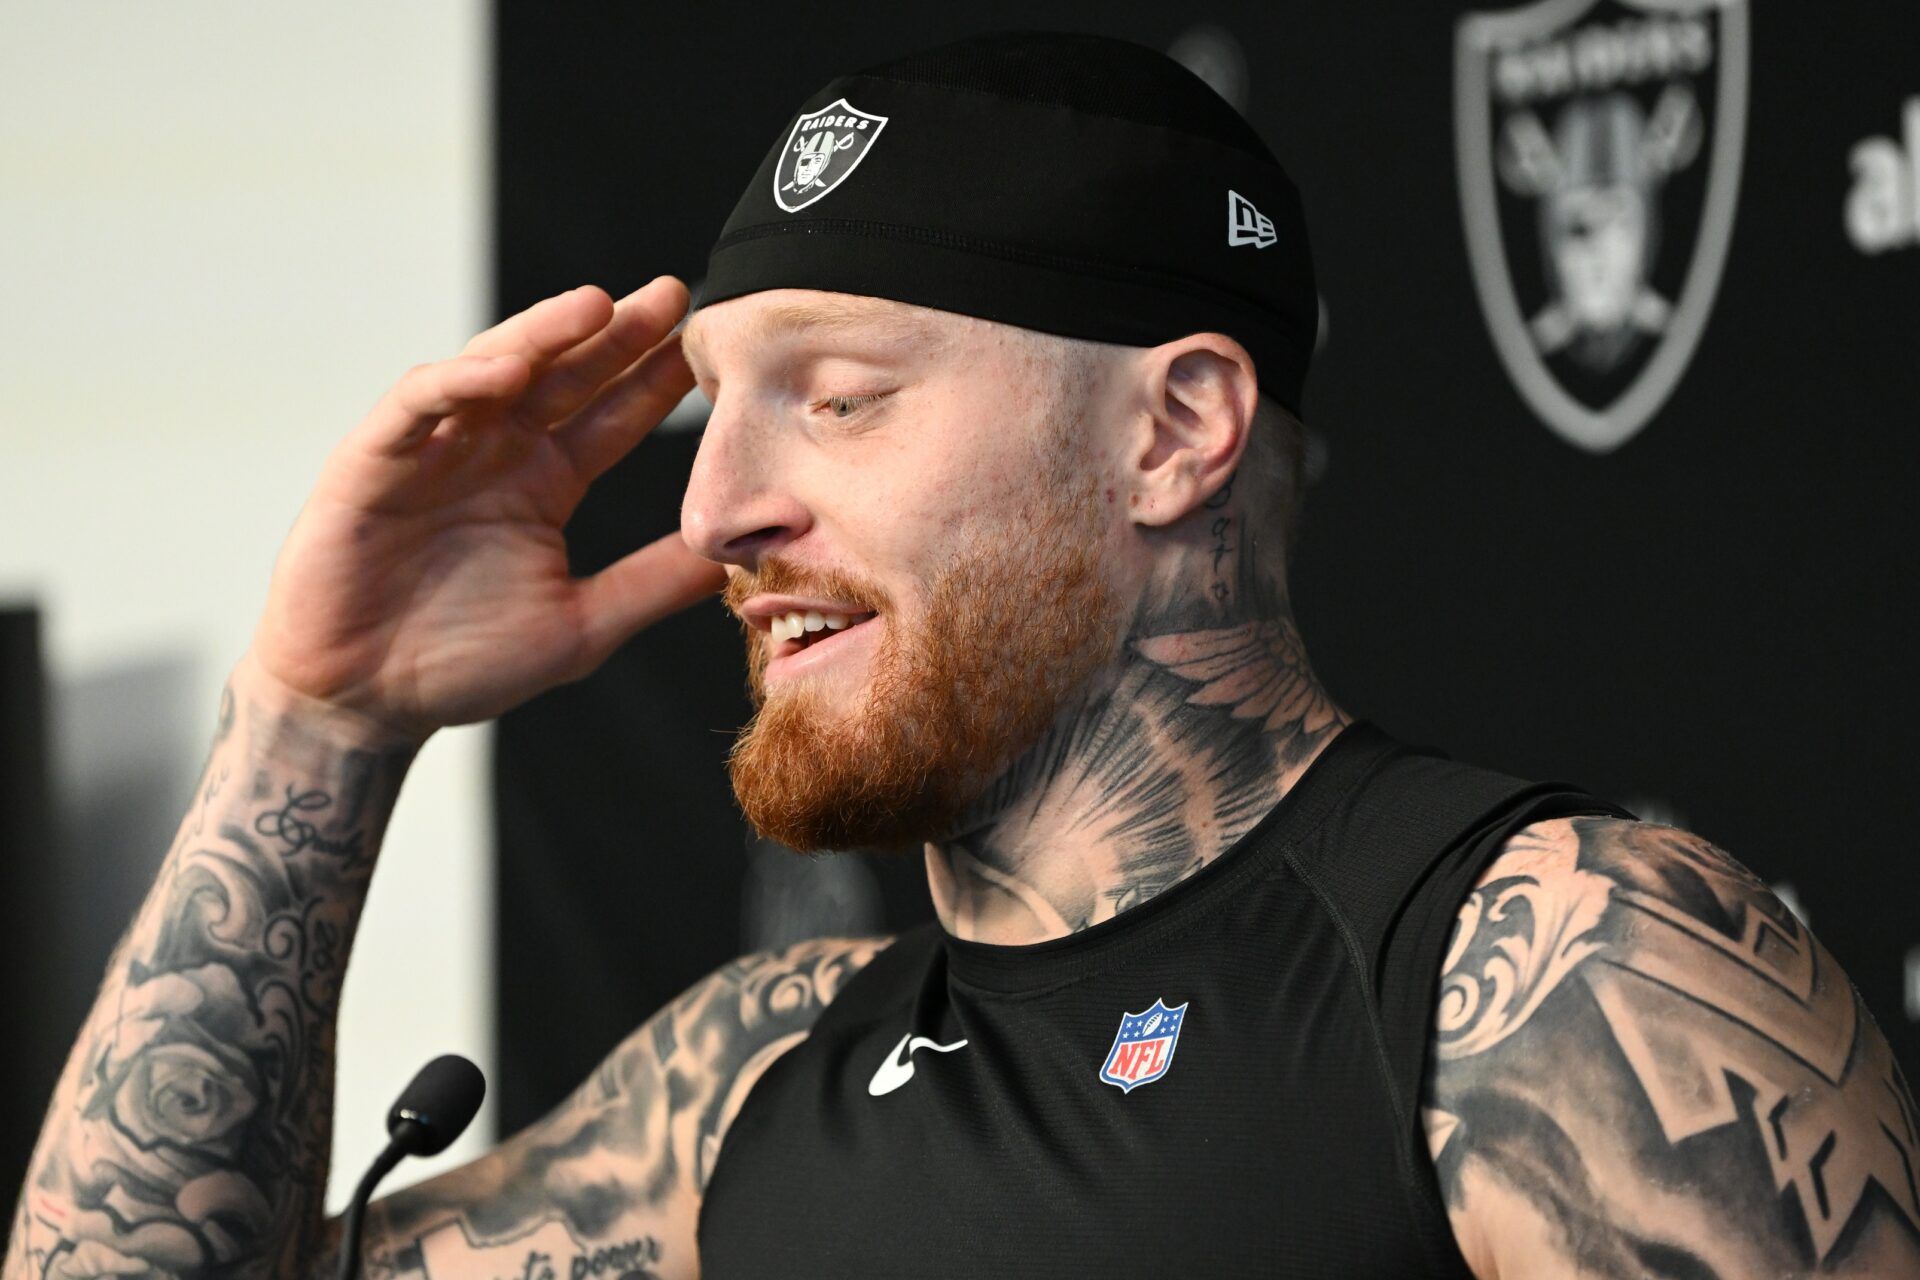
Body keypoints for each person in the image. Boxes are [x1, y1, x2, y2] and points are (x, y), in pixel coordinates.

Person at [8, 30, 1917, 1280]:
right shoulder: (741, 1086)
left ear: (1175, 431)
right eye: (709, 418)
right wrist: (314, 723)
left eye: (837, 403)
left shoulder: (1551, 977)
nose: (714, 510)